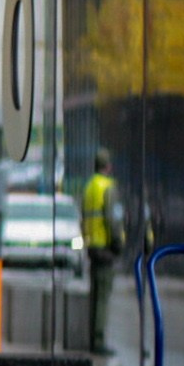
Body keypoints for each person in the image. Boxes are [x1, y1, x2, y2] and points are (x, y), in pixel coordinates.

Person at [82, 148, 125, 355]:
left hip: (92, 247)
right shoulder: (108, 187)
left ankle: (92, 337)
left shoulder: (89, 186)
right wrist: (118, 244)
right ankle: (98, 342)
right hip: (106, 249)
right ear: (108, 166)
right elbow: (113, 219)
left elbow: (83, 218)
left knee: (94, 295)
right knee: (102, 298)